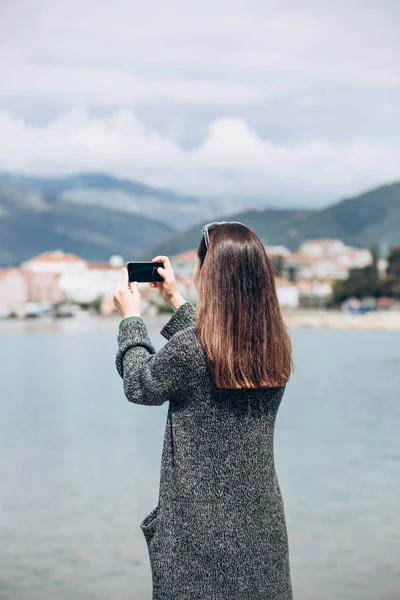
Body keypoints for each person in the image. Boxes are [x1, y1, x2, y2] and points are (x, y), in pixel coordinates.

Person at [113, 221, 294, 600]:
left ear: (206, 272)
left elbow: (138, 384)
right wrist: (175, 301)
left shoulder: (190, 351)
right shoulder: (273, 344)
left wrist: (131, 319)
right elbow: (218, 345)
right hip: (261, 532)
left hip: (198, 542)